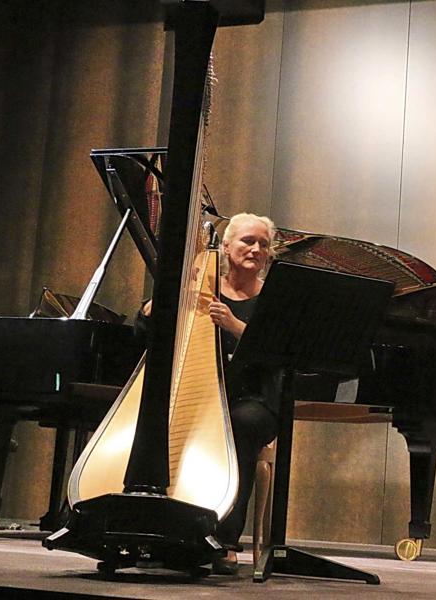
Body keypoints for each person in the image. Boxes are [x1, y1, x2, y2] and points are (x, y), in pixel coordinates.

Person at [137, 212, 279, 575]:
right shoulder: (202, 287)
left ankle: (226, 539)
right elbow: (144, 330)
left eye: (263, 244)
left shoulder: (273, 298)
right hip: (201, 393)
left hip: (253, 401)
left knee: (238, 425)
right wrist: (158, 307)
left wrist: (233, 325)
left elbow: (276, 354)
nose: (256, 249)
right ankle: (163, 530)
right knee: (163, 415)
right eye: (248, 240)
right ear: (226, 245)